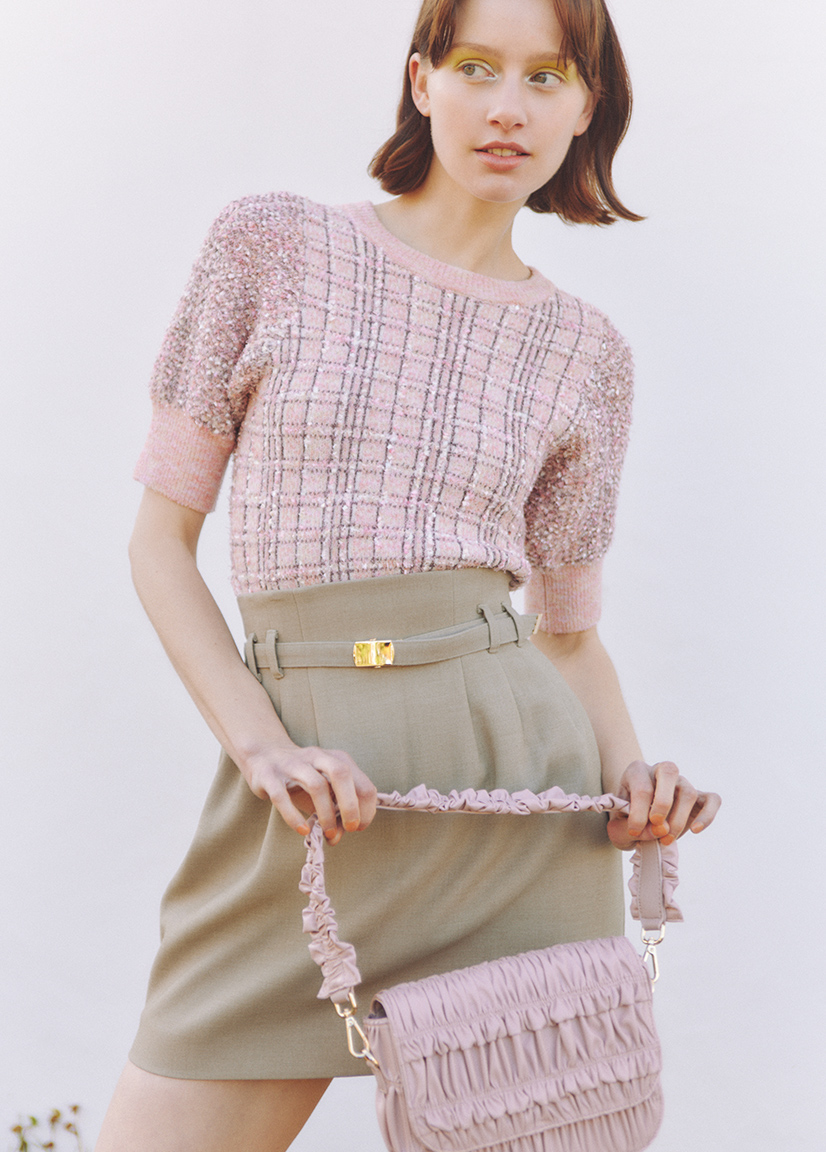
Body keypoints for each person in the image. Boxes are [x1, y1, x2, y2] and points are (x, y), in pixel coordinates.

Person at [95, 0, 721, 1149]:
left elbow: (567, 634)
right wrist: (261, 749)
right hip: (315, 805)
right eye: (476, 67)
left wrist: (634, 781)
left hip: (516, 815)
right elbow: (157, 546)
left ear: (587, 106)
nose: (507, 107)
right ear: (422, 80)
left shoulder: (588, 353)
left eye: (546, 77)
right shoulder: (271, 246)